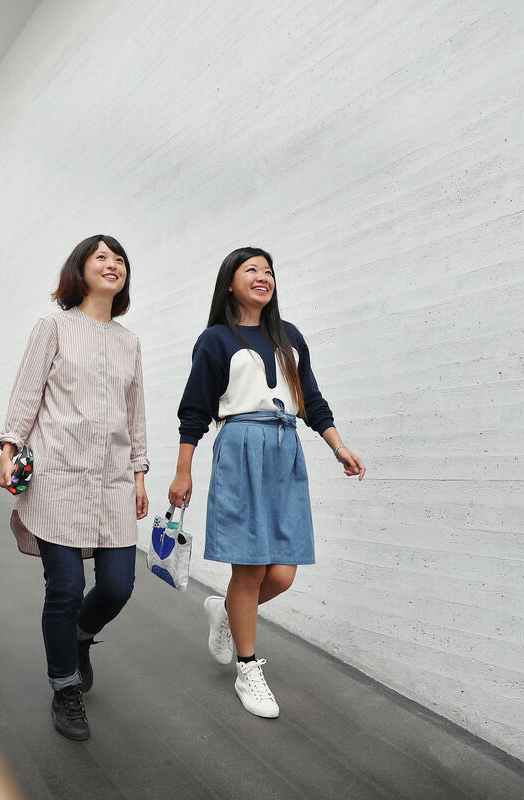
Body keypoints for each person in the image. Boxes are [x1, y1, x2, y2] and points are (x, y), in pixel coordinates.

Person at [169, 246, 365, 719]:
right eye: (251, 270)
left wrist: (338, 446)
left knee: (282, 572)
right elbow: (195, 408)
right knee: (251, 569)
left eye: (269, 271)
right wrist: (183, 469)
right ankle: (247, 668)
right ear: (230, 282)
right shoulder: (215, 339)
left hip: (285, 450)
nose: (263, 277)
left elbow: (311, 400)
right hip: (240, 448)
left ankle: (226, 611)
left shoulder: (290, 337)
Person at [0, 234, 150, 742]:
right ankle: (65, 687)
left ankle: (81, 637)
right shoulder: (53, 327)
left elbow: (136, 413)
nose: (113, 264)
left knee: (116, 586)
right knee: (63, 588)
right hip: (57, 475)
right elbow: (27, 391)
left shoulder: (131, 342)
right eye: (101, 257)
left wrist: (140, 473)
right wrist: (9, 445)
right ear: (79, 270)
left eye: (119, 259)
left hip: (112, 483)